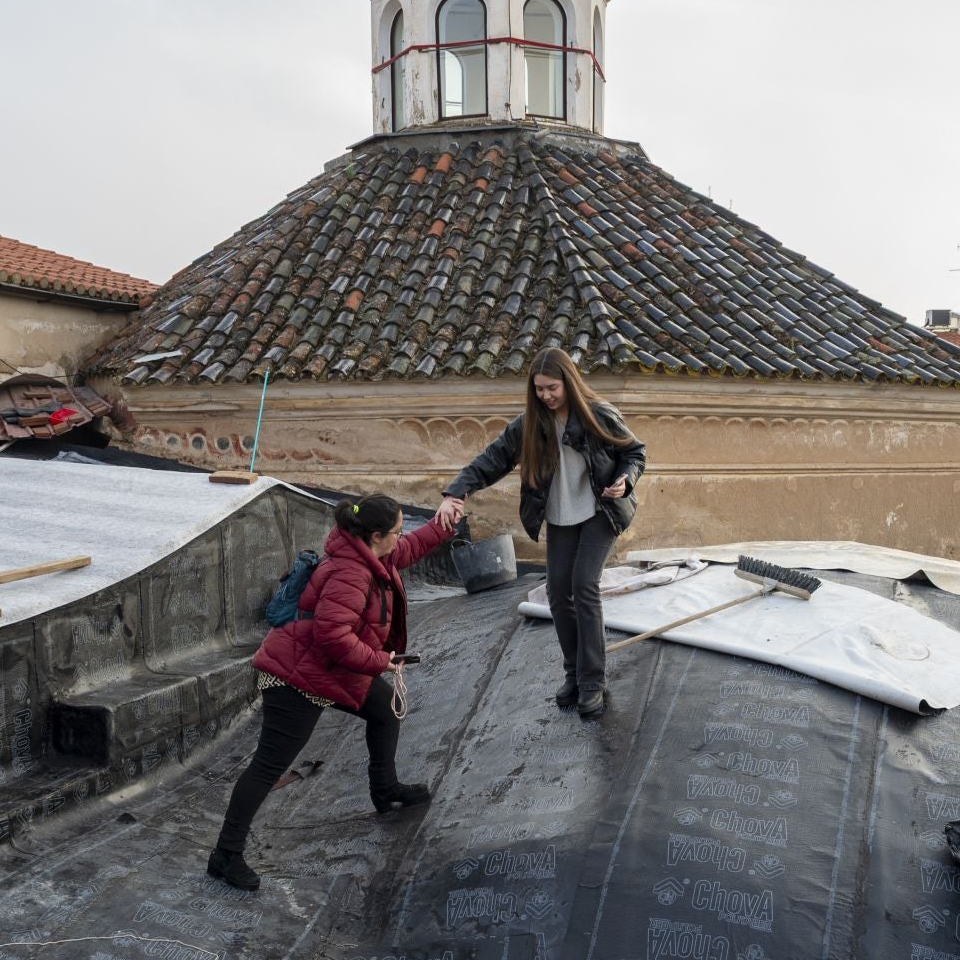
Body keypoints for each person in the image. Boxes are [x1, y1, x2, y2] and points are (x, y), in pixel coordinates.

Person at [209, 494, 453, 891]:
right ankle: (225, 855)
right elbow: (331, 637)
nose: (401, 537)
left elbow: (409, 549)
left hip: (328, 672)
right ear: (375, 535)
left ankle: (385, 788)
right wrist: (380, 661)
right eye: (396, 530)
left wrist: (443, 524)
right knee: (267, 768)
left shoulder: (373, 555)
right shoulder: (351, 574)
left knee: (384, 713)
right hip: (296, 678)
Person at [436, 347, 645, 719]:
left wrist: (624, 482)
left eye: (552, 388)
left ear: (569, 382)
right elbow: (492, 459)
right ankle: (573, 674)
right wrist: (456, 492)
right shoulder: (529, 425)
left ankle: (593, 682)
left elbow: (634, 453)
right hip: (561, 515)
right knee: (556, 592)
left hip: (600, 511)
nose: (546, 395)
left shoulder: (598, 415)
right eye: (539, 389)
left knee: (584, 586)